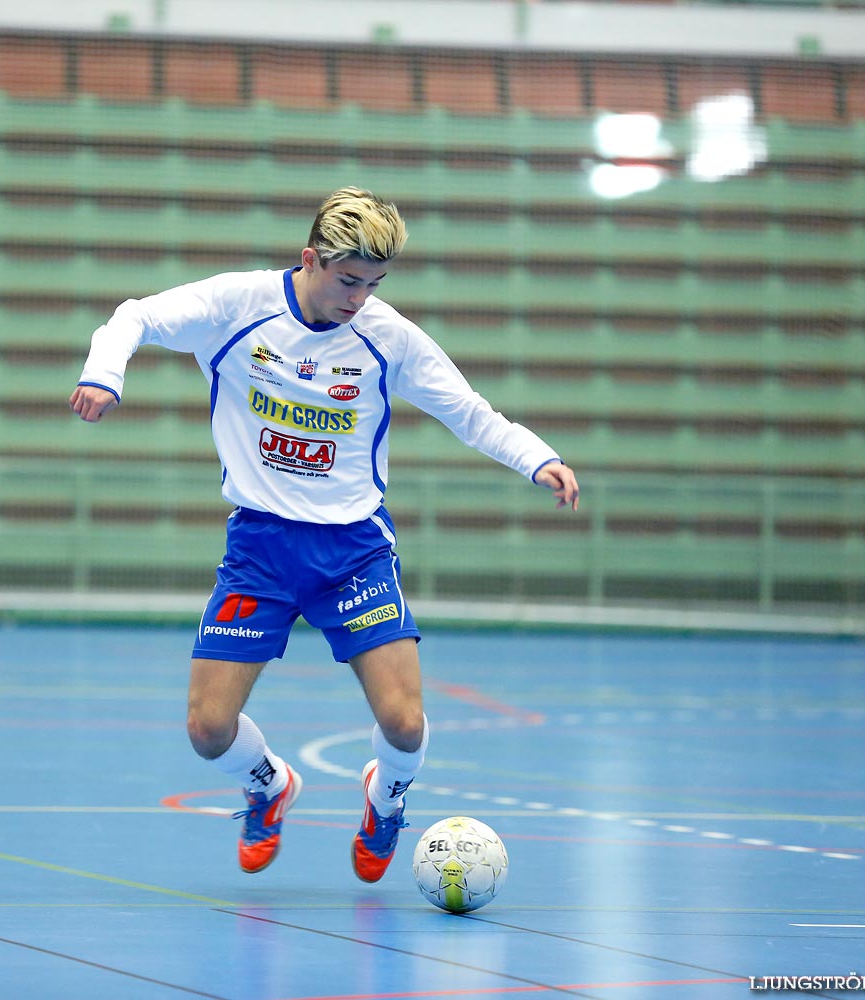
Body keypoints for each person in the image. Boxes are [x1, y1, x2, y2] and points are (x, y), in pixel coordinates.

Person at [70, 187, 578, 881]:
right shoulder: (238, 308)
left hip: (354, 552)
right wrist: (105, 373)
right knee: (207, 731)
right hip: (260, 549)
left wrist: (536, 457)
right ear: (310, 259)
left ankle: (386, 796)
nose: (359, 298)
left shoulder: (385, 336)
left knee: (404, 724)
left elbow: (468, 411)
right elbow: (136, 317)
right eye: (348, 281)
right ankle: (269, 785)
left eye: (374, 284)